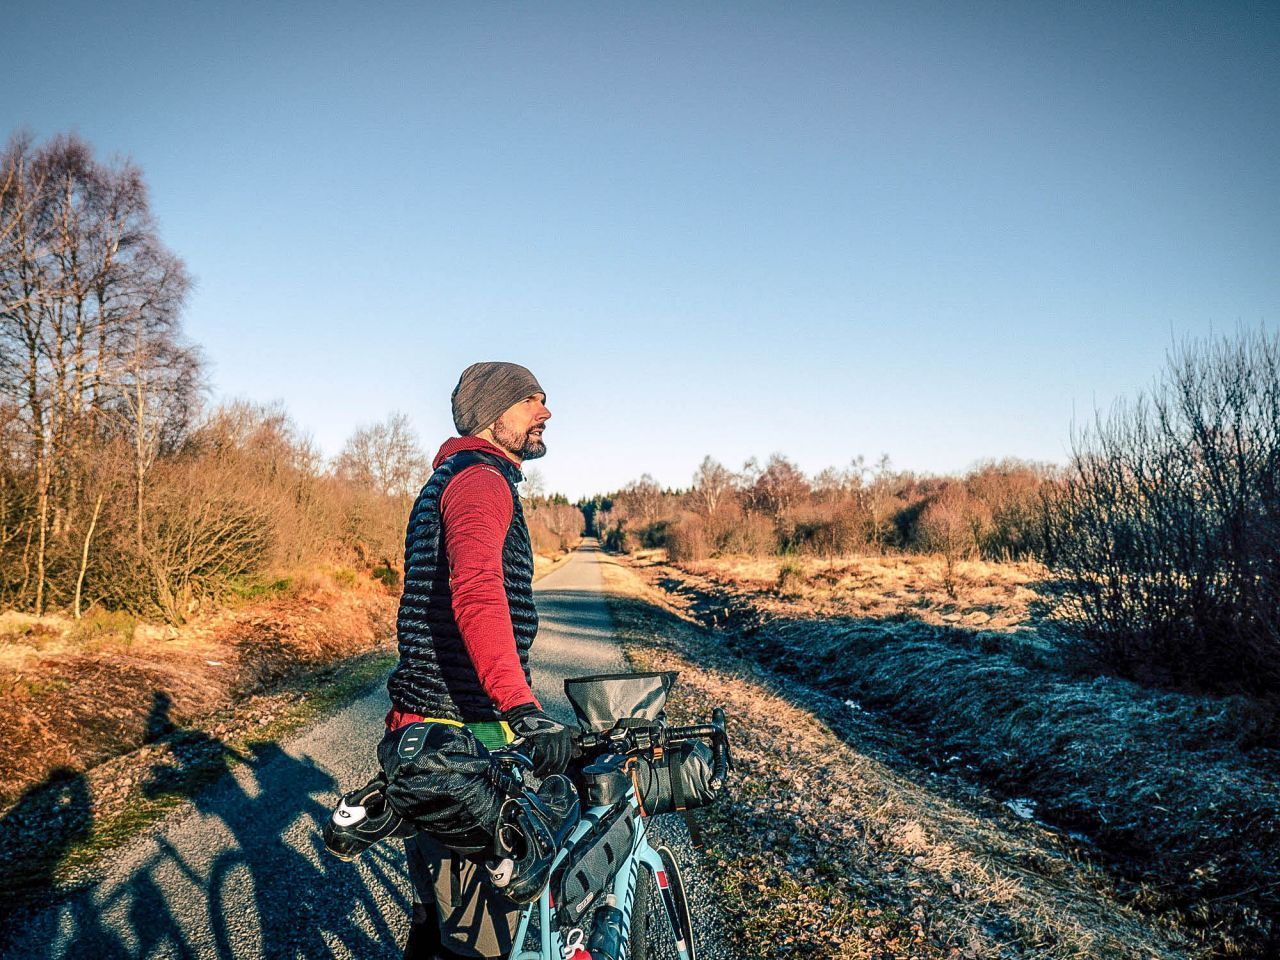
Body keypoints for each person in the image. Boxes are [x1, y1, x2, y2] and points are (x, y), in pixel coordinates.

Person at [384, 361, 574, 960]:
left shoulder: (455, 479)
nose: (545, 412)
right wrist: (521, 705)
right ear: (493, 415)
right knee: (486, 938)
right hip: (459, 735)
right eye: (529, 400)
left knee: (437, 926)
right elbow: (476, 592)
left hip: (429, 730)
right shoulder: (479, 482)